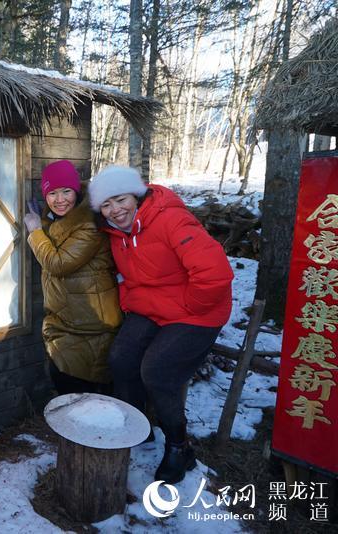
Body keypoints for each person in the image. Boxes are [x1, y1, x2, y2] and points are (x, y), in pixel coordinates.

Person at [88, 165, 233, 484]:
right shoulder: (116, 233)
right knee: (121, 358)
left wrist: (190, 307)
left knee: (157, 371)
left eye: (120, 199)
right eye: (106, 205)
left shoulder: (169, 219)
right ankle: (136, 427)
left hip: (199, 311)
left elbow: (215, 274)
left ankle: (180, 448)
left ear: (136, 195)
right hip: (154, 308)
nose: (116, 210)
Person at [24, 160, 121, 395]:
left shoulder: (89, 224)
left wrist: (36, 232)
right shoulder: (58, 219)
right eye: (53, 193)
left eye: (66, 191)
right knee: (69, 385)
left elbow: (59, 264)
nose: (60, 200)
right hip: (70, 321)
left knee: (82, 391)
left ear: (76, 191)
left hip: (91, 324)